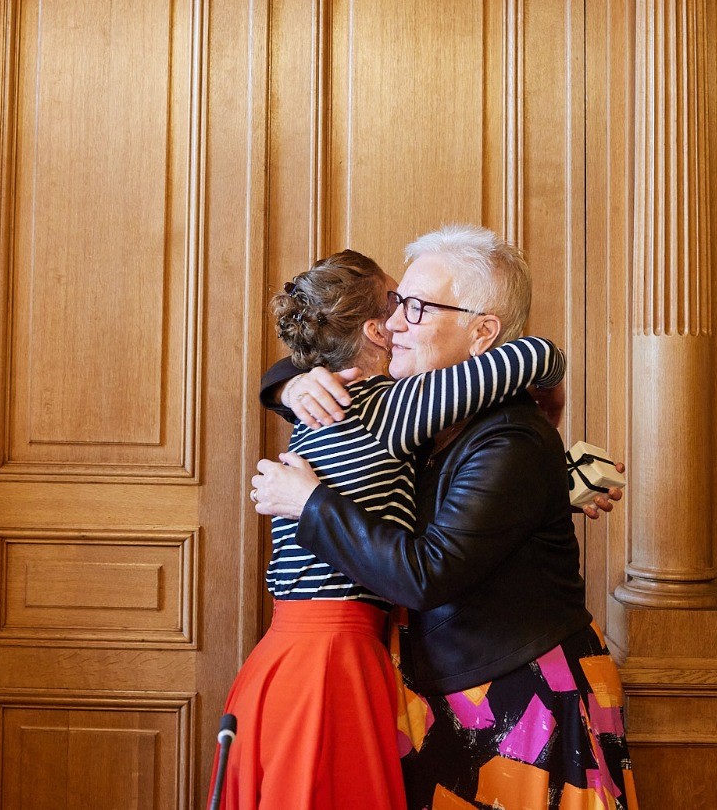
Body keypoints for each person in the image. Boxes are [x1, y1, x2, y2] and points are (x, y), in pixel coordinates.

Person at [253, 225, 637, 810]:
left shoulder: (509, 436)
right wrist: (292, 384)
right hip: (439, 689)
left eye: (416, 308)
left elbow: (426, 573)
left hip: (519, 695)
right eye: (396, 304)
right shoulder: (410, 415)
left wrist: (310, 504)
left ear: (483, 333)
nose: (392, 325)